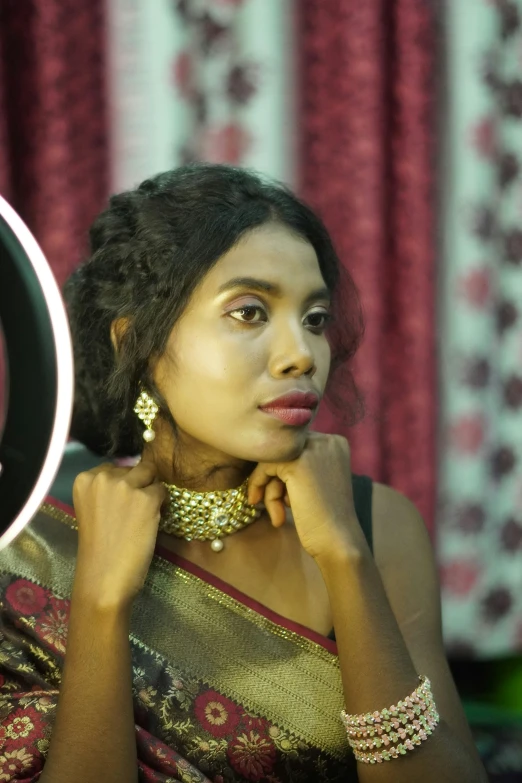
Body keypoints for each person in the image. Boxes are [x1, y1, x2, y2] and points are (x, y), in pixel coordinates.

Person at [0, 164, 487, 782]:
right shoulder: (31, 545)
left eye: (314, 319)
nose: (301, 355)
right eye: (250, 312)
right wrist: (98, 601)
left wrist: (344, 555)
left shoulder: (374, 524)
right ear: (137, 344)